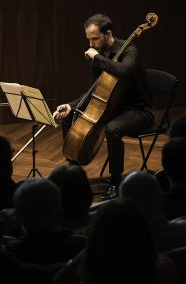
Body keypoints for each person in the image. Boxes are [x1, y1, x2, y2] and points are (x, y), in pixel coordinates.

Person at [54, 13, 153, 200]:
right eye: (88, 40)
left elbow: (123, 71)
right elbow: (93, 91)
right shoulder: (98, 56)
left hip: (138, 110)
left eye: (95, 39)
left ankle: (116, 183)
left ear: (108, 34)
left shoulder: (129, 49)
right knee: (70, 115)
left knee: (112, 129)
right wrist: (70, 105)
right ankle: (74, 176)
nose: (91, 45)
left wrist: (97, 57)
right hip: (112, 106)